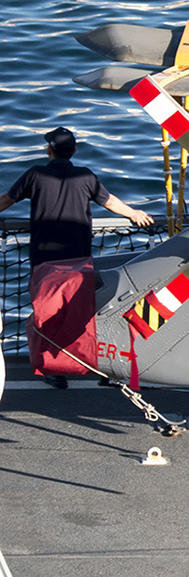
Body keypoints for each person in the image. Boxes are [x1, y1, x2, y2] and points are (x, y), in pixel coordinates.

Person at [0, 127, 154, 385]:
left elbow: (7, 200)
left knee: (46, 313)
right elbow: (110, 202)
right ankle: (92, 363)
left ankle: (54, 369)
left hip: (44, 257)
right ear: (73, 151)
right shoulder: (85, 176)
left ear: (49, 149)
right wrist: (133, 213)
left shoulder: (35, 174)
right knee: (81, 312)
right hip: (78, 256)